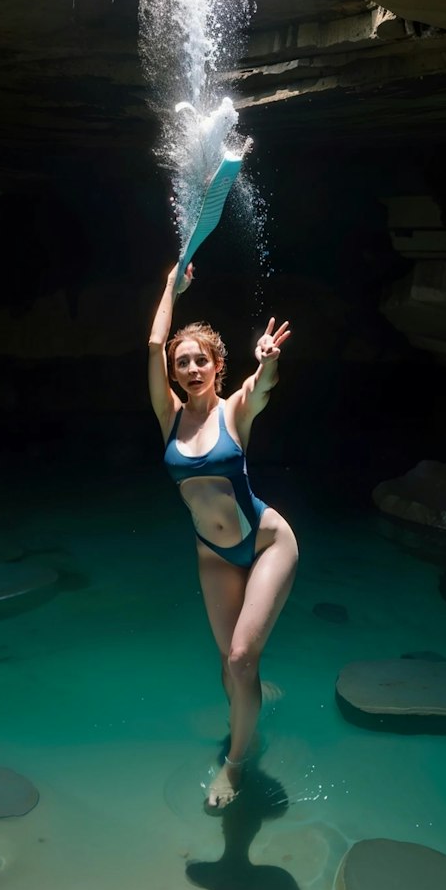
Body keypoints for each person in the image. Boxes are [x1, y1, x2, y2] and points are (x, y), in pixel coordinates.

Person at [148, 261, 298, 809]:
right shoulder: (168, 415)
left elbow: (264, 386)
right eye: (181, 362)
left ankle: (235, 764)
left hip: (265, 542)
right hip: (212, 554)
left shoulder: (236, 409)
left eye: (200, 360)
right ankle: (250, 696)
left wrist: (269, 362)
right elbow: (153, 339)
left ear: (216, 366)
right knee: (228, 665)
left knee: (239, 660)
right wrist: (171, 286)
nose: (190, 367)